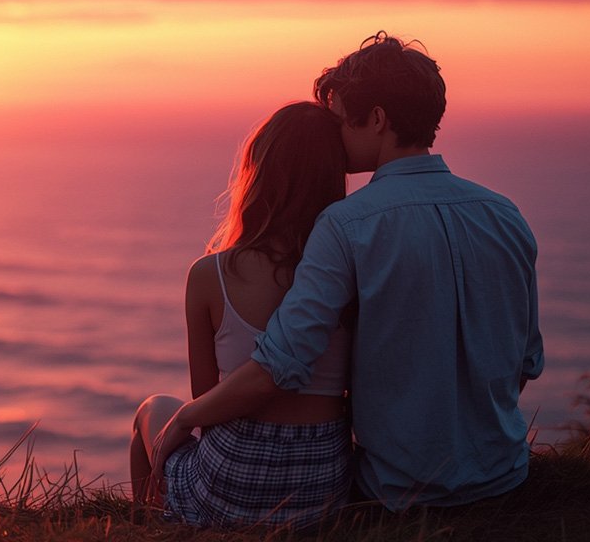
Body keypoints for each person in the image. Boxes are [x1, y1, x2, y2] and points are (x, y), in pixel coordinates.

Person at [151, 32, 544, 512]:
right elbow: (526, 360)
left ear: (376, 119)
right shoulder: (504, 214)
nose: (333, 137)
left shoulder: (346, 224)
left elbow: (280, 364)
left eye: (339, 120)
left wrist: (187, 414)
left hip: (397, 489)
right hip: (504, 475)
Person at [130, 101, 353, 530]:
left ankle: (148, 526)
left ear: (257, 172)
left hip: (231, 479)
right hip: (323, 482)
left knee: (152, 409)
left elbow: (207, 399)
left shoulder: (209, 274)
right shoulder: (348, 274)